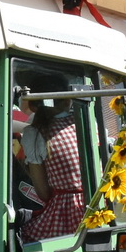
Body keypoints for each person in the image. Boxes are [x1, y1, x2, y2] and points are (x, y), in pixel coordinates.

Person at [21, 92, 84, 242]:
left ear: (32, 105)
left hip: (68, 211)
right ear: (68, 100)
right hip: (99, 204)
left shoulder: (35, 133)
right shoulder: (85, 121)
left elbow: (43, 192)